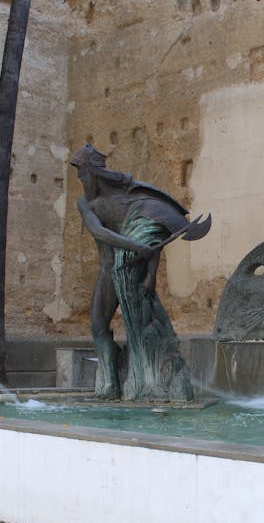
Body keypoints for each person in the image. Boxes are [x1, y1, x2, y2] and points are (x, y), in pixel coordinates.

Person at [70, 143, 209, 399]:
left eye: (81, 172)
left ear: (92, 173)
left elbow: (152, 242)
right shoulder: (85, 204)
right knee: (98, 326)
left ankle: (145, 380)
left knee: (132, 324)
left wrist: (151, 276)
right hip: (108, 271)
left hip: (126, 271)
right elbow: (100, 232)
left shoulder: (129, 202)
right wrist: (137, 247)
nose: (79, 178)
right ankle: (110, 383)